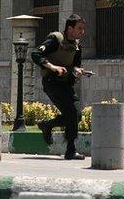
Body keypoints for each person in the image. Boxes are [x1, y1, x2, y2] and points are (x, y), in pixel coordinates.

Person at [31, 14, 87, 160]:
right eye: (79, 28)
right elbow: (35, 54)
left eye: (83, 29)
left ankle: (48, 125)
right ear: (70, 28)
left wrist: (77, 71)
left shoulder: (77, 45)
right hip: (52, 83)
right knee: (72, 112)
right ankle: (70, 150)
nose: (82, 32)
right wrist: (53, 67)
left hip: (66, 84)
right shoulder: (56, 39)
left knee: (77, 115)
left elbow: (76, 65)